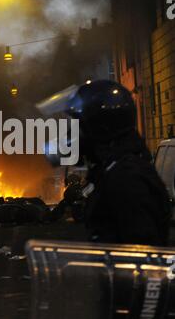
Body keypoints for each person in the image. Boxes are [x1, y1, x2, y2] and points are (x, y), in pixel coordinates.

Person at [39, 80, 171, 246]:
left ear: (100, 128)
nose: (73, 135)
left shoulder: (128, 179)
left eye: (80, 126)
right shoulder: (114, 169)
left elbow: (142, 257)